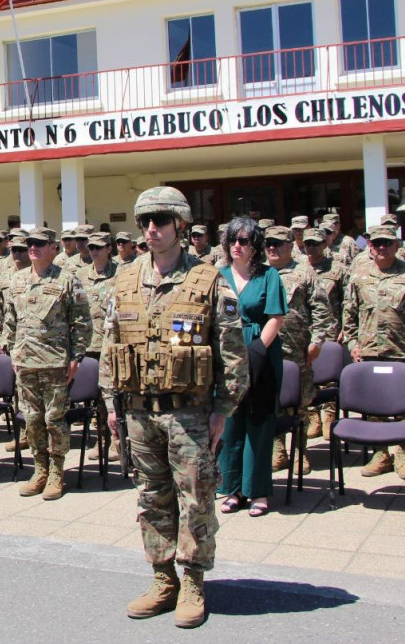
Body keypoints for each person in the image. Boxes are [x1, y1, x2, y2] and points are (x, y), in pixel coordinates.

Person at [102, 187, 246, 628]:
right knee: (151, 497)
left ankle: (193, 580)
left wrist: (223, 408)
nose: (152, 229)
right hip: (139, 411)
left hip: (190, 413)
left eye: (161, 221)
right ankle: (162, 578)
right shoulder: (125, 279)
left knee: (196, 498)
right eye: (146, 221)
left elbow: (232, 352)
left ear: (180, 227)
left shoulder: (208, 279)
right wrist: (111, 404)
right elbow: (110, 345)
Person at [0, 227, 91, 501]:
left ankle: (57, 473)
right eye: (30, 243)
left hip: (55, 364)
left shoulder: (67, 281)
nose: (33, 248)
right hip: (25, 364)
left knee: (54, 420)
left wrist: (76, 358)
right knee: (32, 420)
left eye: (40, 243)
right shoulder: (16, 281)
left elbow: (82, 323)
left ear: (53, 248)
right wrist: (13, 353)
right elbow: (10, 320)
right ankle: (39, 469)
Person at [342, 224, 405, 480]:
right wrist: (353, 344)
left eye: (387, 242)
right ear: (370, 247)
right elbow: (349, 313)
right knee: (374, 404)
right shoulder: (358, 276)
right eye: (377, 243)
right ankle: (383, 453)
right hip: (370, 349)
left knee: (404, 406)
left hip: (401, 349)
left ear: (397, 245)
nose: (382, 247)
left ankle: (402, 454)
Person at [216, 216, 286, 518]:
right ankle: (232, 488)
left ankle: (257, 490)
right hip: (226, 354)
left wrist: (257, 350)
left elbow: (275, 316)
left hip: (260, 350)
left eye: (244, 241)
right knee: (230, 423)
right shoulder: (218, 275)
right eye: (233, 240)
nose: (237, 246)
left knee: (258, 423)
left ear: (255, 246)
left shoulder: (268, 276)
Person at [264, 227, 334, 473]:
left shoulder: (305, 273)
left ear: (291, 245)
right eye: (268, 243)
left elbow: (323, 311)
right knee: (271, 402)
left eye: (277, 243)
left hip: (297, 352)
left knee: (300, 404)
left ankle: (299, 451)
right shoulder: (256, 273)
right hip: (265, 354)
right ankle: (278, 449)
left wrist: (317, 342)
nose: (271, 247)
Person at [302, 226, 349, 439]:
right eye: (307, 244)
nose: (311, 248)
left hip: (330, 331)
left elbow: (349, 301)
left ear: (324, 244)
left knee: (328, 379)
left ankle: (329, 417)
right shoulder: (300, 269)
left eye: (315, 244)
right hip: (303, 333)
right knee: (307, 377)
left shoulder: (337, 269)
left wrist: (346, 327)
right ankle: (313, 416)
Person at [80, 232, 119, 461]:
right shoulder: (81, 276)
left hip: (110, 345)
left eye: (99, 247)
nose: (94, 251)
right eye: (91, 247)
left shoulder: (120, 275)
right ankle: (100, 440)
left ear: (108, 249)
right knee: (95, 399)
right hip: (89, 344)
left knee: (112, 397)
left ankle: (117, 442)